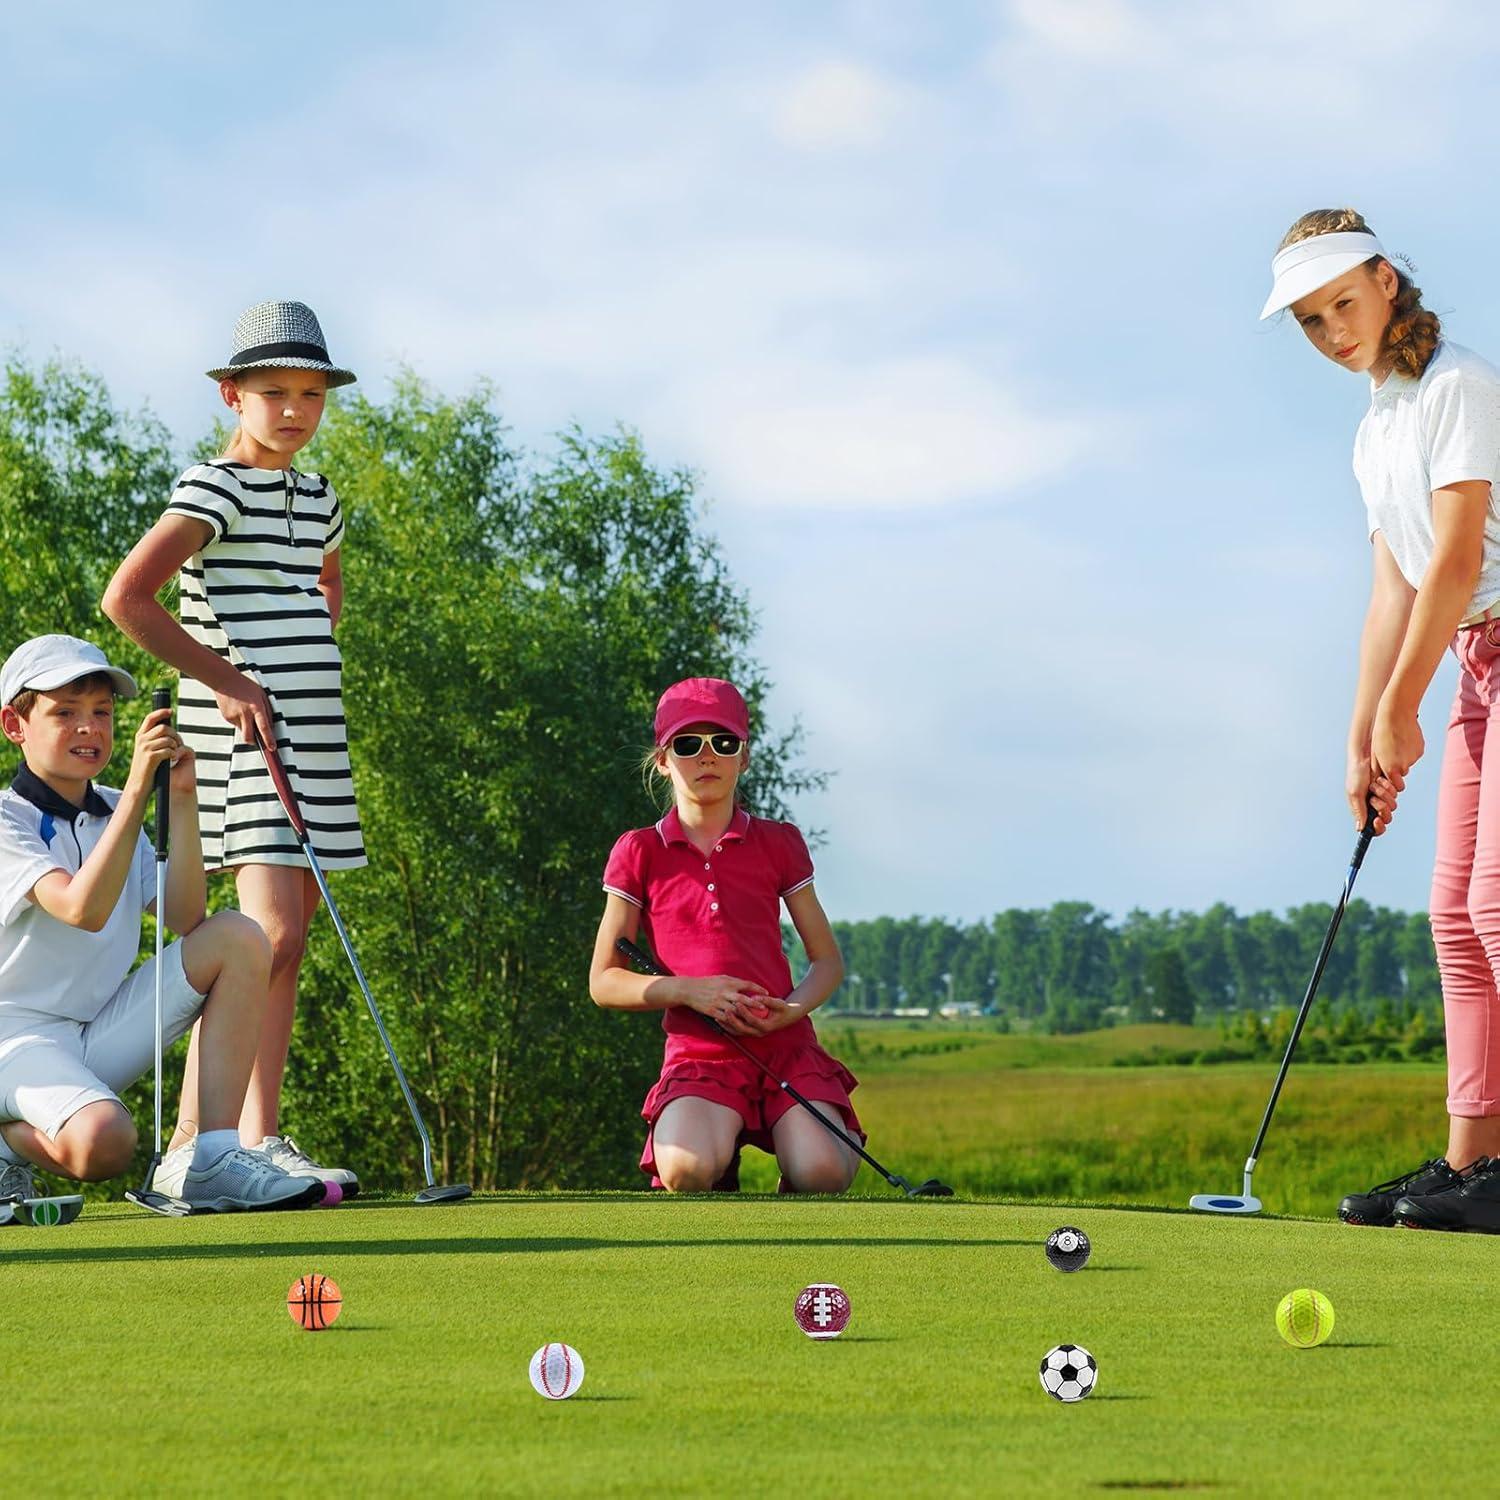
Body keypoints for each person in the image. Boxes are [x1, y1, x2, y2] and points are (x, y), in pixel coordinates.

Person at [1262, 209, 1500, 1231]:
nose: (1332, 333)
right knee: (1452, 915)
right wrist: (1363, 731)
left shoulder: (1458, 386)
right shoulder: (1378, 427)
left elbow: (1455, 559)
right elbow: (1392, 591)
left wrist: (1404, 706)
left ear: (1387, 281)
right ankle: (1468, 1165)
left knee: (1495, 907)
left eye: (1342, 306)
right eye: (1311, 322)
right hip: (1473, 664)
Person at [101, 301, 363, 1198]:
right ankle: (200, 1146)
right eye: (273, 392)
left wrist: (310, 642)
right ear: (231, 395)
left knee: (291, 943)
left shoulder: (320, 499)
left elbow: (325, 582)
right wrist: (224, 679)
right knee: (268, 932)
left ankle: (257, 1134)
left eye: (310, 393)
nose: (294, 409)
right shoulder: (212, 486)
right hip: (242, 731)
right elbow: (128, 598)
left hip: (312, 735)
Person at [0, 634, 319, 1212]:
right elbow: (82, 909)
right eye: (64, 713)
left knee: (238, 935)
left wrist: (181, 794)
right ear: (14, 725)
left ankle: (210, 1155)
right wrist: (135, 798)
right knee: (106, 1144)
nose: (88, 729)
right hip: (15, 1042)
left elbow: (187, 917)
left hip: (96, 1032)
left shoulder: (115, 811)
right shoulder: (6, 818)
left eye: (102, 713)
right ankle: (4, 1146)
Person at [588, 676, 861, 1194]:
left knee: (822, 1173)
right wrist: (690, 991)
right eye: (688, 744)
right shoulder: (638, 851)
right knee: (687, 1170)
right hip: (698, 1055)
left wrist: (793, 1010)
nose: (707, 756)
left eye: (724, 742)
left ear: (744, 758)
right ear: (664, 760)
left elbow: (826, 962)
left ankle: (831, 1142)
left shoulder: (780, 843)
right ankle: (719, 1168)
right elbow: (603, 981)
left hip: (784, 1047)